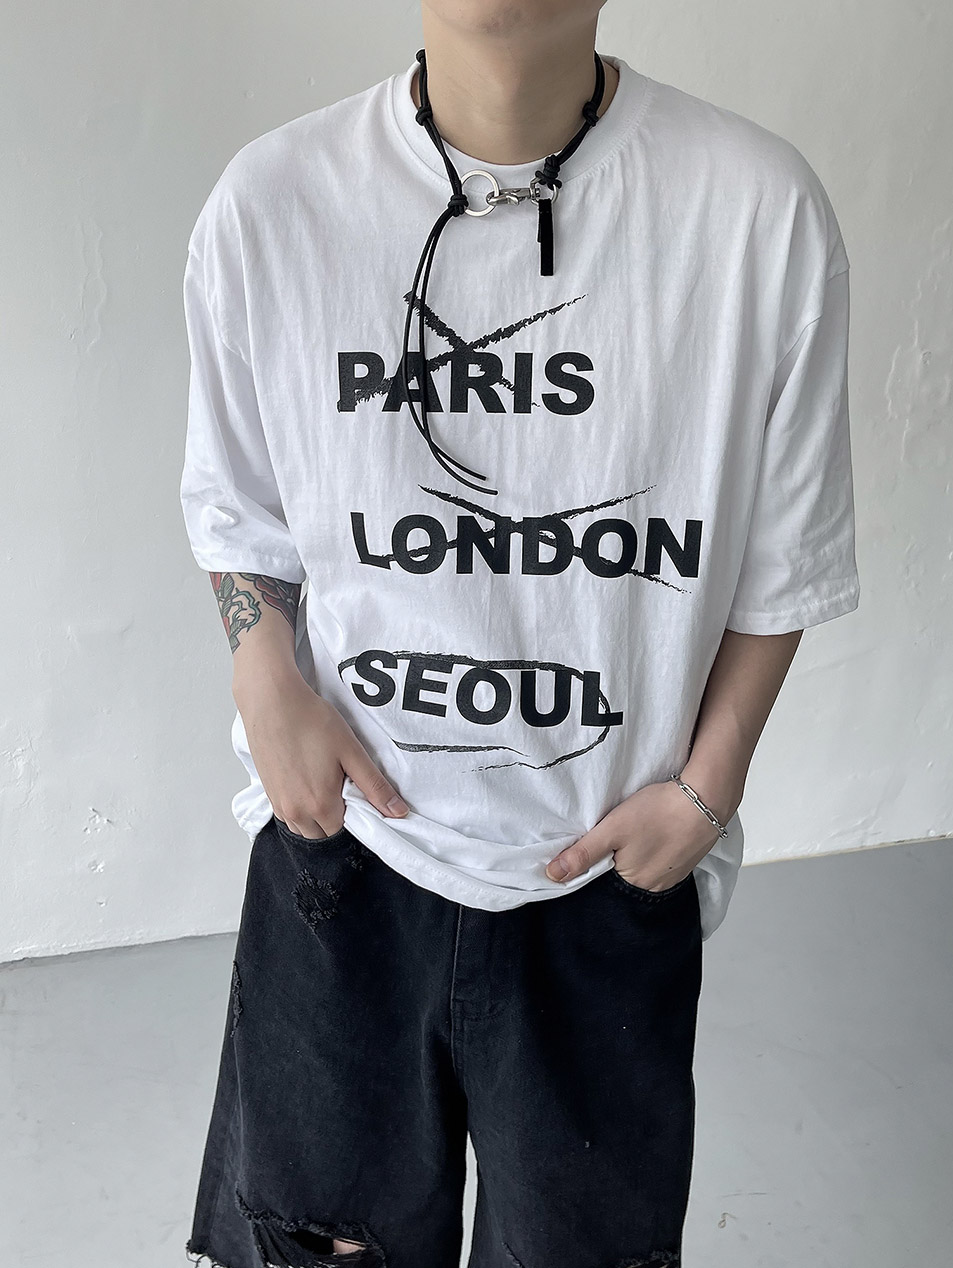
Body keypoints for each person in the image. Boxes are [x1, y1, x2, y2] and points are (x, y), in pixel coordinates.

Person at [180, 2, 860, 1265]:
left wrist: (706, 790)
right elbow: (236, 508)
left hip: (602, 871)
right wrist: (264, 674)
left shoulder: (755, 213)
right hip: (348, 860)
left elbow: (786, 559)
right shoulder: (271, 204)